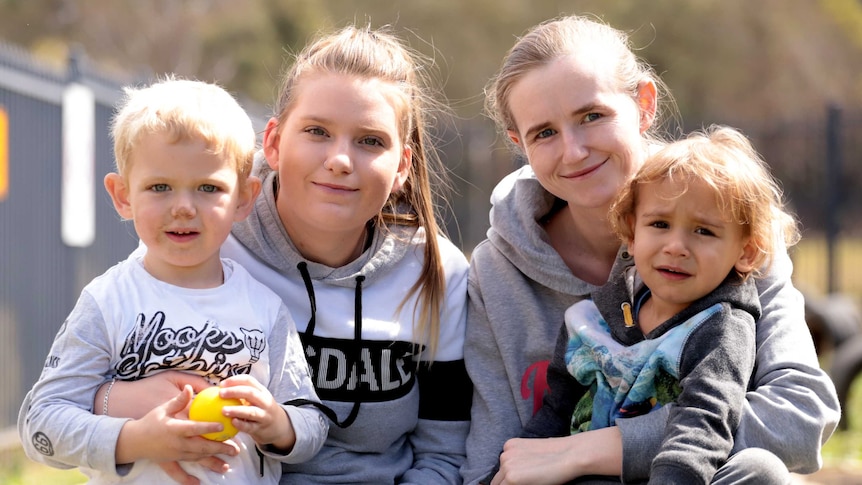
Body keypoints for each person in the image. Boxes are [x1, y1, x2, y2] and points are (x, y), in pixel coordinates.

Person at [462, 14, 840, 485]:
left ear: (644, 104)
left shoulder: (727, 226)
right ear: (520, 143)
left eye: (592, 116)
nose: (574, 150)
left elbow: (799, 417)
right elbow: (494, 462)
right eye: (544, 133)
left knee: (760, 472)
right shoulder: (496, 272)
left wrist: (593, 448)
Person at [92, 25, 473, 485]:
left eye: (370, 140)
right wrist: (122, 407)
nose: (340, 160)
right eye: (317, 131)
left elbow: (445, 453)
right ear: (272, 142)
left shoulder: (437, 271)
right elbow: (81, 394)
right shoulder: (207, 236)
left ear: (402, 167)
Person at [17, 77, 328, 484]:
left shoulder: (265, 308)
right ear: (123, 195)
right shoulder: (108, 301)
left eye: (208, 187)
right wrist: (134, 439)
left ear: (244, 198)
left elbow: (313, 424)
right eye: (159, 187)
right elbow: (40, 425)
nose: (183, 207)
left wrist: (279, 424)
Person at [508, 125, 800, 484]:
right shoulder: (592, 319)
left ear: (747, 252)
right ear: (631, 234)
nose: (676, 246)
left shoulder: (720, 327)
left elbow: (701, 422)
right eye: (660, 224)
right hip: (589, 477)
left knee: (758, 470)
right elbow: (555, 412)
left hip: (678, 475)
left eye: (703, 231)